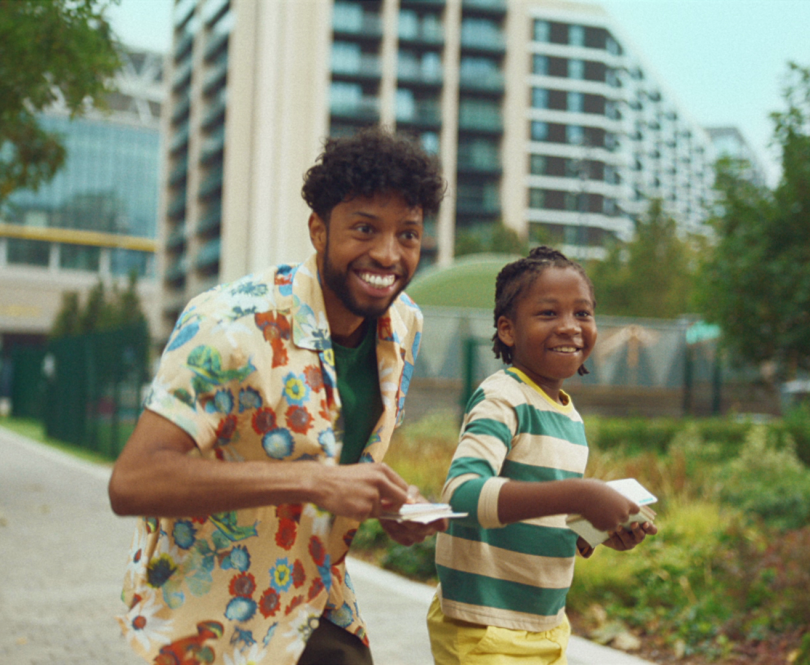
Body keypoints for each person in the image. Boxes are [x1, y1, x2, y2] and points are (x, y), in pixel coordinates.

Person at [108, 126, 447, 665]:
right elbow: (132, 482)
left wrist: (389, 505)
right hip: (209, 621)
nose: (388, 254)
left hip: (317, 605)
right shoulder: (229, 323)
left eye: (407, 234)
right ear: (319, 230)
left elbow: (339, 449)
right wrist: (315, 480)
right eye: (364, 229)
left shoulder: (403, 324)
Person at [427, 246, 658, 665]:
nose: (570, 327)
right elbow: (461, 495)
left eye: (582, 314)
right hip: (485, 628)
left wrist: (591, 532)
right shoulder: (503, 398)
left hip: (546, 626)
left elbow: (546, 511)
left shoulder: (568, 417)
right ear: (508, 329)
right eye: (549, 314)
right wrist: (580, 495)